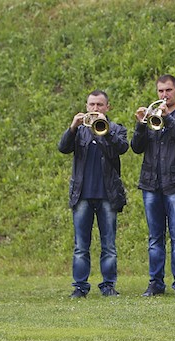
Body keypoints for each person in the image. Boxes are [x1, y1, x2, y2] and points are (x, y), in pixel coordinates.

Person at [58, 90, 128, 298]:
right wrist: (72, 127)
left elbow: (122, 148)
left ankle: (108, 285)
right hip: (82, 196)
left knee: (108, 245)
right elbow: (63, 148)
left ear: (107, 107)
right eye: (91, 105)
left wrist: (105, 131)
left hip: (108, 194)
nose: (95, 109)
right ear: (86, 106)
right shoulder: (79, 131)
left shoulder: (116, 129)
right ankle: (80, 286)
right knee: (81, 245)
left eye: (99, 105)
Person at [132, 74, 175, 297]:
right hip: (152, 184)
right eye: (160, 91)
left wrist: (169, 119)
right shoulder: (150, 117)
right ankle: (155, 283)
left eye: (168, 90)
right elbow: (136, 148)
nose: (164, 95)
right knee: (154, 237)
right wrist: (141, 125)